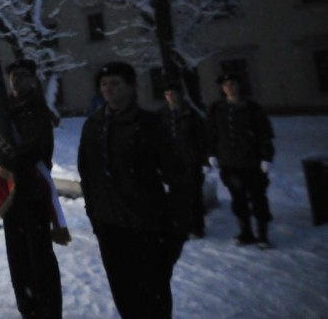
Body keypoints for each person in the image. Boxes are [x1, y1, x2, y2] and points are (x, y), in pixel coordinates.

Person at [78, 62, 193, 319]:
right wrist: (94, 215)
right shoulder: (93, 126)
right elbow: (87, 174)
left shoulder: (149, 124)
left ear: (131, 87)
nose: (108, 89)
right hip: (110, 227)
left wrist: (176, 232)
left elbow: (178, 179)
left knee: (153, 298)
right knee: (125, 295)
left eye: (116, 83)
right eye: (104, 84)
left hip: (147, 227)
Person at [3, 58, 67, 319]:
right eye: (13, 75)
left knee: (39, 258)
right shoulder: (3, 110)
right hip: (9, 195)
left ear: (32, 79)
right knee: (17, 258)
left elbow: (34, 151)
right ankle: (27, 309)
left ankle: (48, 312)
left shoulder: (38, 111)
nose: (16, 80)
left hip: (32, 192)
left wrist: (6, 163)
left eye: (22, 75)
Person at [206, 73, 275, 248]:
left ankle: (263, 235)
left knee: (258, 199)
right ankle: (246, 232)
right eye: (225, 85)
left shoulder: (252, 108)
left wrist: (266, 157)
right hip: (229, 163)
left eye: (232, 84)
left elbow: (264, 134)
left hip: (252, 163)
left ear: (238, 86)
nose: (229, 87)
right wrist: (212, 153)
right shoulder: (217, 108)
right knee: (238, 200)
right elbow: (211, 133)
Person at [158, 81, 209, 238]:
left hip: (191, 161)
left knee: (194, 196)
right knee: (177, 196)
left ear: (180, 95)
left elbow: (202, 138)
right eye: (167, 94)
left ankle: (197, 227)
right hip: (172, 163)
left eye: (173, 94)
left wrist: (204, 160)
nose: (170, 97)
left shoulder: (191, 114)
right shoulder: (162, 114)